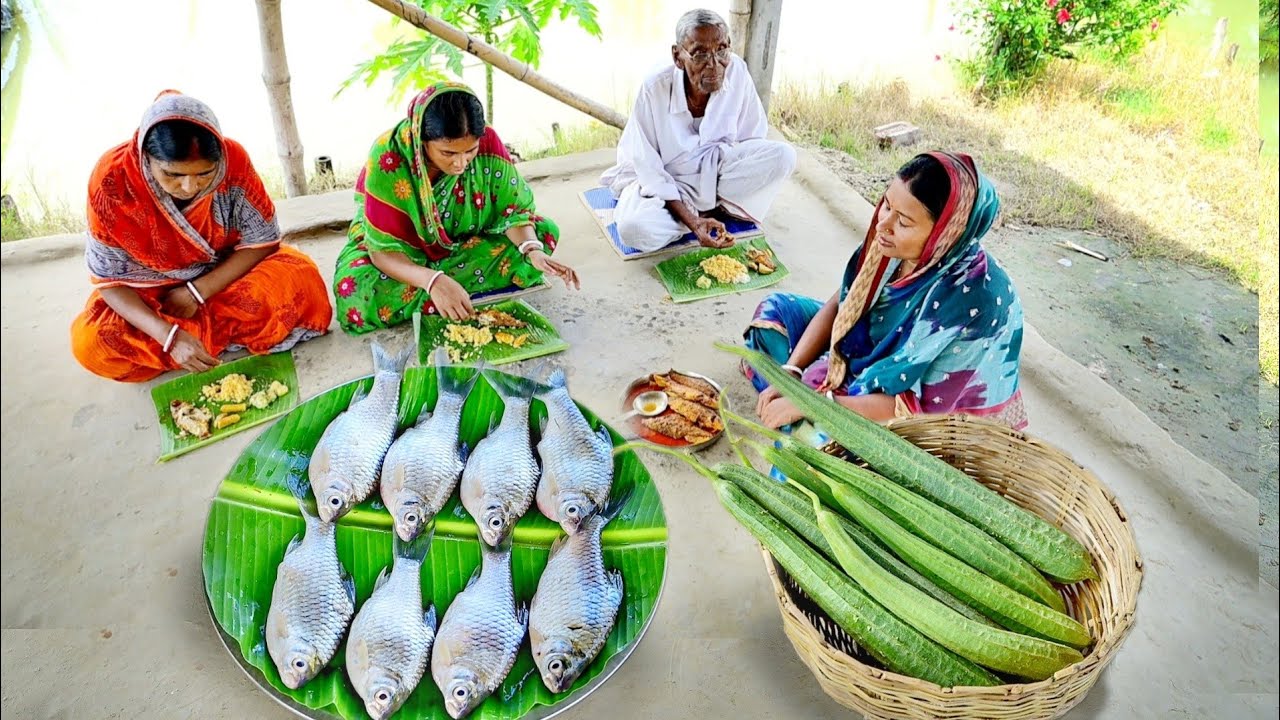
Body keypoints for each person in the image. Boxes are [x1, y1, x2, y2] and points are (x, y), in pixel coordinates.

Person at [745, 151, 1028, 431]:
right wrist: (791, 370)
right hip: (868, 352)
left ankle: (811, 404)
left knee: (820, 437)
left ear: (945, 234)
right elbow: (843, 304)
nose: (883, 224)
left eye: (903, 222)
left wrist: (812, 403)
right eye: (886, 204)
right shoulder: (889, 242)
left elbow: (917, 411)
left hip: (918, 409)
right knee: (773, 315)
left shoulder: (975, 303)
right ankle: (807, 392)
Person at [70, 90, 332, 383]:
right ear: (145, 157)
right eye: (172, 175)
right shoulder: (112, 179)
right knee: (91, 343)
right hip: (153, 293)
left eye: (205, 173)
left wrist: (196, 291)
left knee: (301, 279)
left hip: (221, 277)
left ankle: (198, 340)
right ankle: (192, 342)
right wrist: (167, 335)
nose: (188, 187)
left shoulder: (234, 160)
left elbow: (262, 242)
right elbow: (109, 283)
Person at [333, 82, 579, 333]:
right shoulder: (389, 157)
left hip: (465, 240)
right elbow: (382, 253)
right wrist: (432, 281)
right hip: (402, 254)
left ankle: (446, 291)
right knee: (355, 290)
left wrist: (531, 250)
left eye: (470, 151)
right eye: (447, 153)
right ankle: (445, 288)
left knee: (543, 233)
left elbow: (512, 212)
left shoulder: (488, 142)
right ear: (421, 139)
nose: (460, 163)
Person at [600, 8, 796, 253]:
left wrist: (731, 176)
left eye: (722, 50)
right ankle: (694, 215)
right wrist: (694, 222)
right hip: (664, 182)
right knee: (633, 229)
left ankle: (711, 207)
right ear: (678, 56)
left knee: (784, 156)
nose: (714, 65)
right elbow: (649, 170)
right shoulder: (654, 88)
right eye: (700, 54)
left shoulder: (737, 71)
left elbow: (751, 139)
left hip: (716, 175)